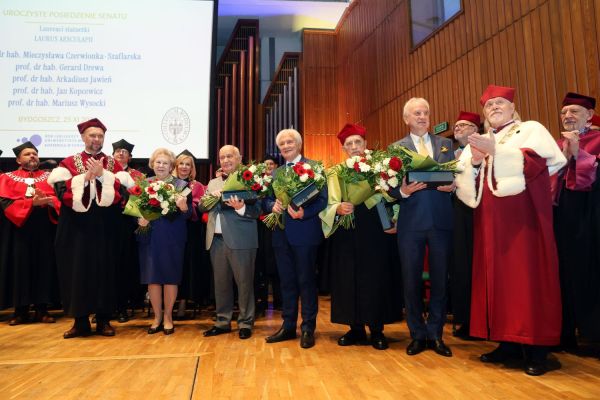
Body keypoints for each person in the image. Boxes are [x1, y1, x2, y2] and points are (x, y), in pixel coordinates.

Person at [455, 84, 566, 375]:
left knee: (527, 280)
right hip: (490, 222)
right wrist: (476, 164)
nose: (494, 108)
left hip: (523, 220)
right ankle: (507, 342)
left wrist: (498, 152)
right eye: (489, 105)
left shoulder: (530, 130)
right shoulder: (479, 140)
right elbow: (467, 182)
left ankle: (536, 349)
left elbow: (541, 164)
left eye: (500, 103)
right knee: (497, 279)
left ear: (513, 108)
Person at [48, 118, 135, 338]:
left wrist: (103, 176)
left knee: (106, 271)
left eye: (100, 136)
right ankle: (80, 322)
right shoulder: (67, 163)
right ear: (83, 137)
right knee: (77, 272)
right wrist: (85, 178)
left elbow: (124, 195)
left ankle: (104, 320)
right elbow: (61, 193)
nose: (96, 139)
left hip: (106, 227)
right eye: (92, 135)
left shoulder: (113, 165)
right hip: (76, 229)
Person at [320, 123, 402, 350]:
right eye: (349, 144)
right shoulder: (335, 172)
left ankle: (377, 329)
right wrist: (337, 208)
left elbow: (392, 196)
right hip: (347, 229)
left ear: (365, 144)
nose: (354, 147)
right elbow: (326, 203)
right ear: (344, 148)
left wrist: (395, 218)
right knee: (348, 276)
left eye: (358, 142)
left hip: (375, 227)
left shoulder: (379, 167)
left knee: (375, 276)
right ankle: (354, 328)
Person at [389, 98, 455, 357]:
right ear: (406, 119)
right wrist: (402, 191)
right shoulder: (395, 149)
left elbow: (457, 175)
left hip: (441, 221)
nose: (422, 116)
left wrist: (453, 187)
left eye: (426, 112)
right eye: (416, 113)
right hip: (411, 224)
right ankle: (417, 334)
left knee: (440, 280)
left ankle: (436, 335)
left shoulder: (446, 144)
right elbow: (389, 187)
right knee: (411, 281)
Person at [264, 129, 328, 349]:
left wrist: (305, 213)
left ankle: (308, 327)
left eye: (290, 142)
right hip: (281, 236)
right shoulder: (275, 173)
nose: (286, 146)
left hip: (306, 233)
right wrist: (271, 205)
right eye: (282, 143)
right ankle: (288, 325)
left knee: (306, 281)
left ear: (299, 144)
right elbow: (266, 200)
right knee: (287, 283)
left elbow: (323, 200)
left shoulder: (315, 168)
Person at [552, 92, 600, 348]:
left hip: (591, 217)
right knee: (564, 273)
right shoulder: (557, 144)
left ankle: (593, 334)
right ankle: (565, 332)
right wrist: (565, 156)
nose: (567, 117)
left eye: (574, 112)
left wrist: (578, 153)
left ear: (589, 116)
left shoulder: (598, 139)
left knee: (591, 272)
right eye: (564, 113)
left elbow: (589, 178)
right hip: (563, 218)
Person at [200, 145, 261, 340]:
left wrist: (241, 208)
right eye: (222, 157)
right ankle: (222, 322)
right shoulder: (212, 182)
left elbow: (258, 209)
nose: (225, 160)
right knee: (221, 284)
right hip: (216, 240)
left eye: (229, 156)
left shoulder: (250, 180)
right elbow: (201, 206)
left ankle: (245, 323)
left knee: (244, 284)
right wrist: (211, 197)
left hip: (242, 239)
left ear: (239, 158)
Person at [0, 142, 60, 325]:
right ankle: (20, 311)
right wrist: (29, 205)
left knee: (44, 266)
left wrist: (51, 202)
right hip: (19, 229)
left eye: (35, 153)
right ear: (18, 159)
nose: (32, 156)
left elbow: (60, 199)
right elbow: (4, 202)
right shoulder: (7, 178)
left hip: (45, 229)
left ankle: (42, 310)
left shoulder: (50, 177)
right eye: (27, 154)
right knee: (20, 267)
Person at [137, 148, 191, 335]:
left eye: (165, 163)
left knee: (170, 277)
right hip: (150, 236)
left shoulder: (181, 185)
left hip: (172, 237)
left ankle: (168, 316)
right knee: (152, 278)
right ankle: (157, 317)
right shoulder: (144, 184)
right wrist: (139, 219)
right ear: (153, 164)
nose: (161, 166)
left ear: (171, 167)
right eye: (158, 162)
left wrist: (184, 208)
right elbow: (133, 208)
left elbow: (190, 215)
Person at [449, 111, 480, 338]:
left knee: (473, 267)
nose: (458, 128)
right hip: (455, 216)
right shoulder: (452, 154)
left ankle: (475, 321)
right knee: (459, 268)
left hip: (475, 215)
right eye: (457, 126)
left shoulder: (479, 150)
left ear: (475, 130)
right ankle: (464, 319)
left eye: (464, 125)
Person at [173, 150, 210, 318]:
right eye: (181, 163)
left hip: (192, 230)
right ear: (176, 165)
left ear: (192, 168)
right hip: (172, 228)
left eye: (188, 164)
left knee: (187, 265)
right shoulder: (169, 184)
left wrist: (190, 206)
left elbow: (202, 208)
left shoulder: (198, 186)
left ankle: (183, 301)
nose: (184, 167)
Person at [112, 139, 143, 323]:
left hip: (128, 224)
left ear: (130, 156)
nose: (121, 154)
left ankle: (123, 306)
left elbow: (141, 199)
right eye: (118, 151)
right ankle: (106, 308)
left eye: (125, 151)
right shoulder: (105, 172)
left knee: (125, 266)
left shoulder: (138, 175)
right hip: (107, 224)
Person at [255, 154, 281, 315]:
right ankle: (261, 301)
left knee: (276, 263)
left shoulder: (280, 181)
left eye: (271, 164)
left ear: (276, 166)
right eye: (265, 165)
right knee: (261, 264)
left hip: (276, 226)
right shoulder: (256, 183)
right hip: (259, 226)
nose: (269, 167)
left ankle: (280, 300)